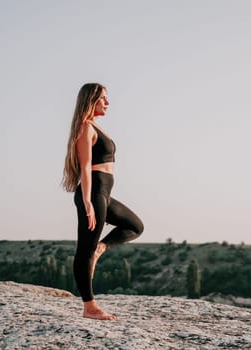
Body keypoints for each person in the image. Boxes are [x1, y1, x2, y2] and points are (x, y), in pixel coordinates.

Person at [61, 83, 144, 320]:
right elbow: (85, 167)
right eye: (103, 99)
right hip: (94, 193)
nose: (107, 103)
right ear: (91, 100)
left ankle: (102, 248)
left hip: (104, 194)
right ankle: (89, 306)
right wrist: (87, 201)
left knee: (135, 226)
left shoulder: (96, 127)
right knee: (84, 250)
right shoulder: (85, 127)